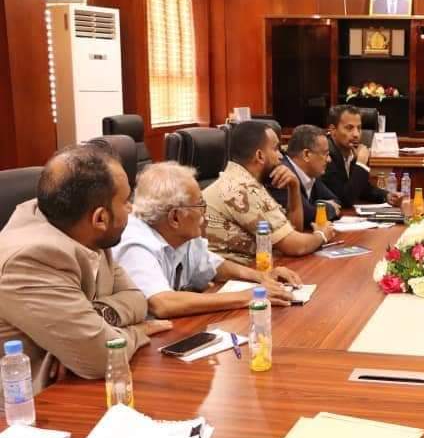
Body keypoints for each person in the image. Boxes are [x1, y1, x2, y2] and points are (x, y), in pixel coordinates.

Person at [0, 143, 171, 394]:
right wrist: (137, 330)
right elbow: (102, 357)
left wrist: (92, 323)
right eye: (125, 201)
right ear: (100, 218)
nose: (131, 209)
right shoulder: (29, 259)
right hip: (29, 406)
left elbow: (137, 300)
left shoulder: (84, 230)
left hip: (76, 386)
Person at [114, 162, 303, 319]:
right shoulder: (135, 243)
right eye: (200, 204)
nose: (205, 211)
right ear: (175, 218)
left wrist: (261, 277)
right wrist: (249, 296)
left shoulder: (179, 234)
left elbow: (214, 265)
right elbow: (162, 303)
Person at [204, 120, 335, 264]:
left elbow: (293, 230)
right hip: (234, 274)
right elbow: (295, 246)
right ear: (260, 156)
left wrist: (294, 187)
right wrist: (322, 234)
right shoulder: (241, 189)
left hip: (255, 267)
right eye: (275, 149)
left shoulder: (244, 180)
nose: (280, 156)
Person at [321, 104, 401, 208]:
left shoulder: (352, 152)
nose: (356, 134)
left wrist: (386, 195)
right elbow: (345, 200)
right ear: (333, 130)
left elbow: (362, 188)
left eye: (359, 128)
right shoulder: (325, 155)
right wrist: (361, 163)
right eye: (349, 128)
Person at [268, 124, 342, 227]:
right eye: (325, 154)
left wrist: (314, 207)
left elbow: (336, 201)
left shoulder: (311, 173)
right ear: (306, 154)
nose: (329, 160)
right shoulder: (282, 174)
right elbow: (306, 216)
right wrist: (329, 208)